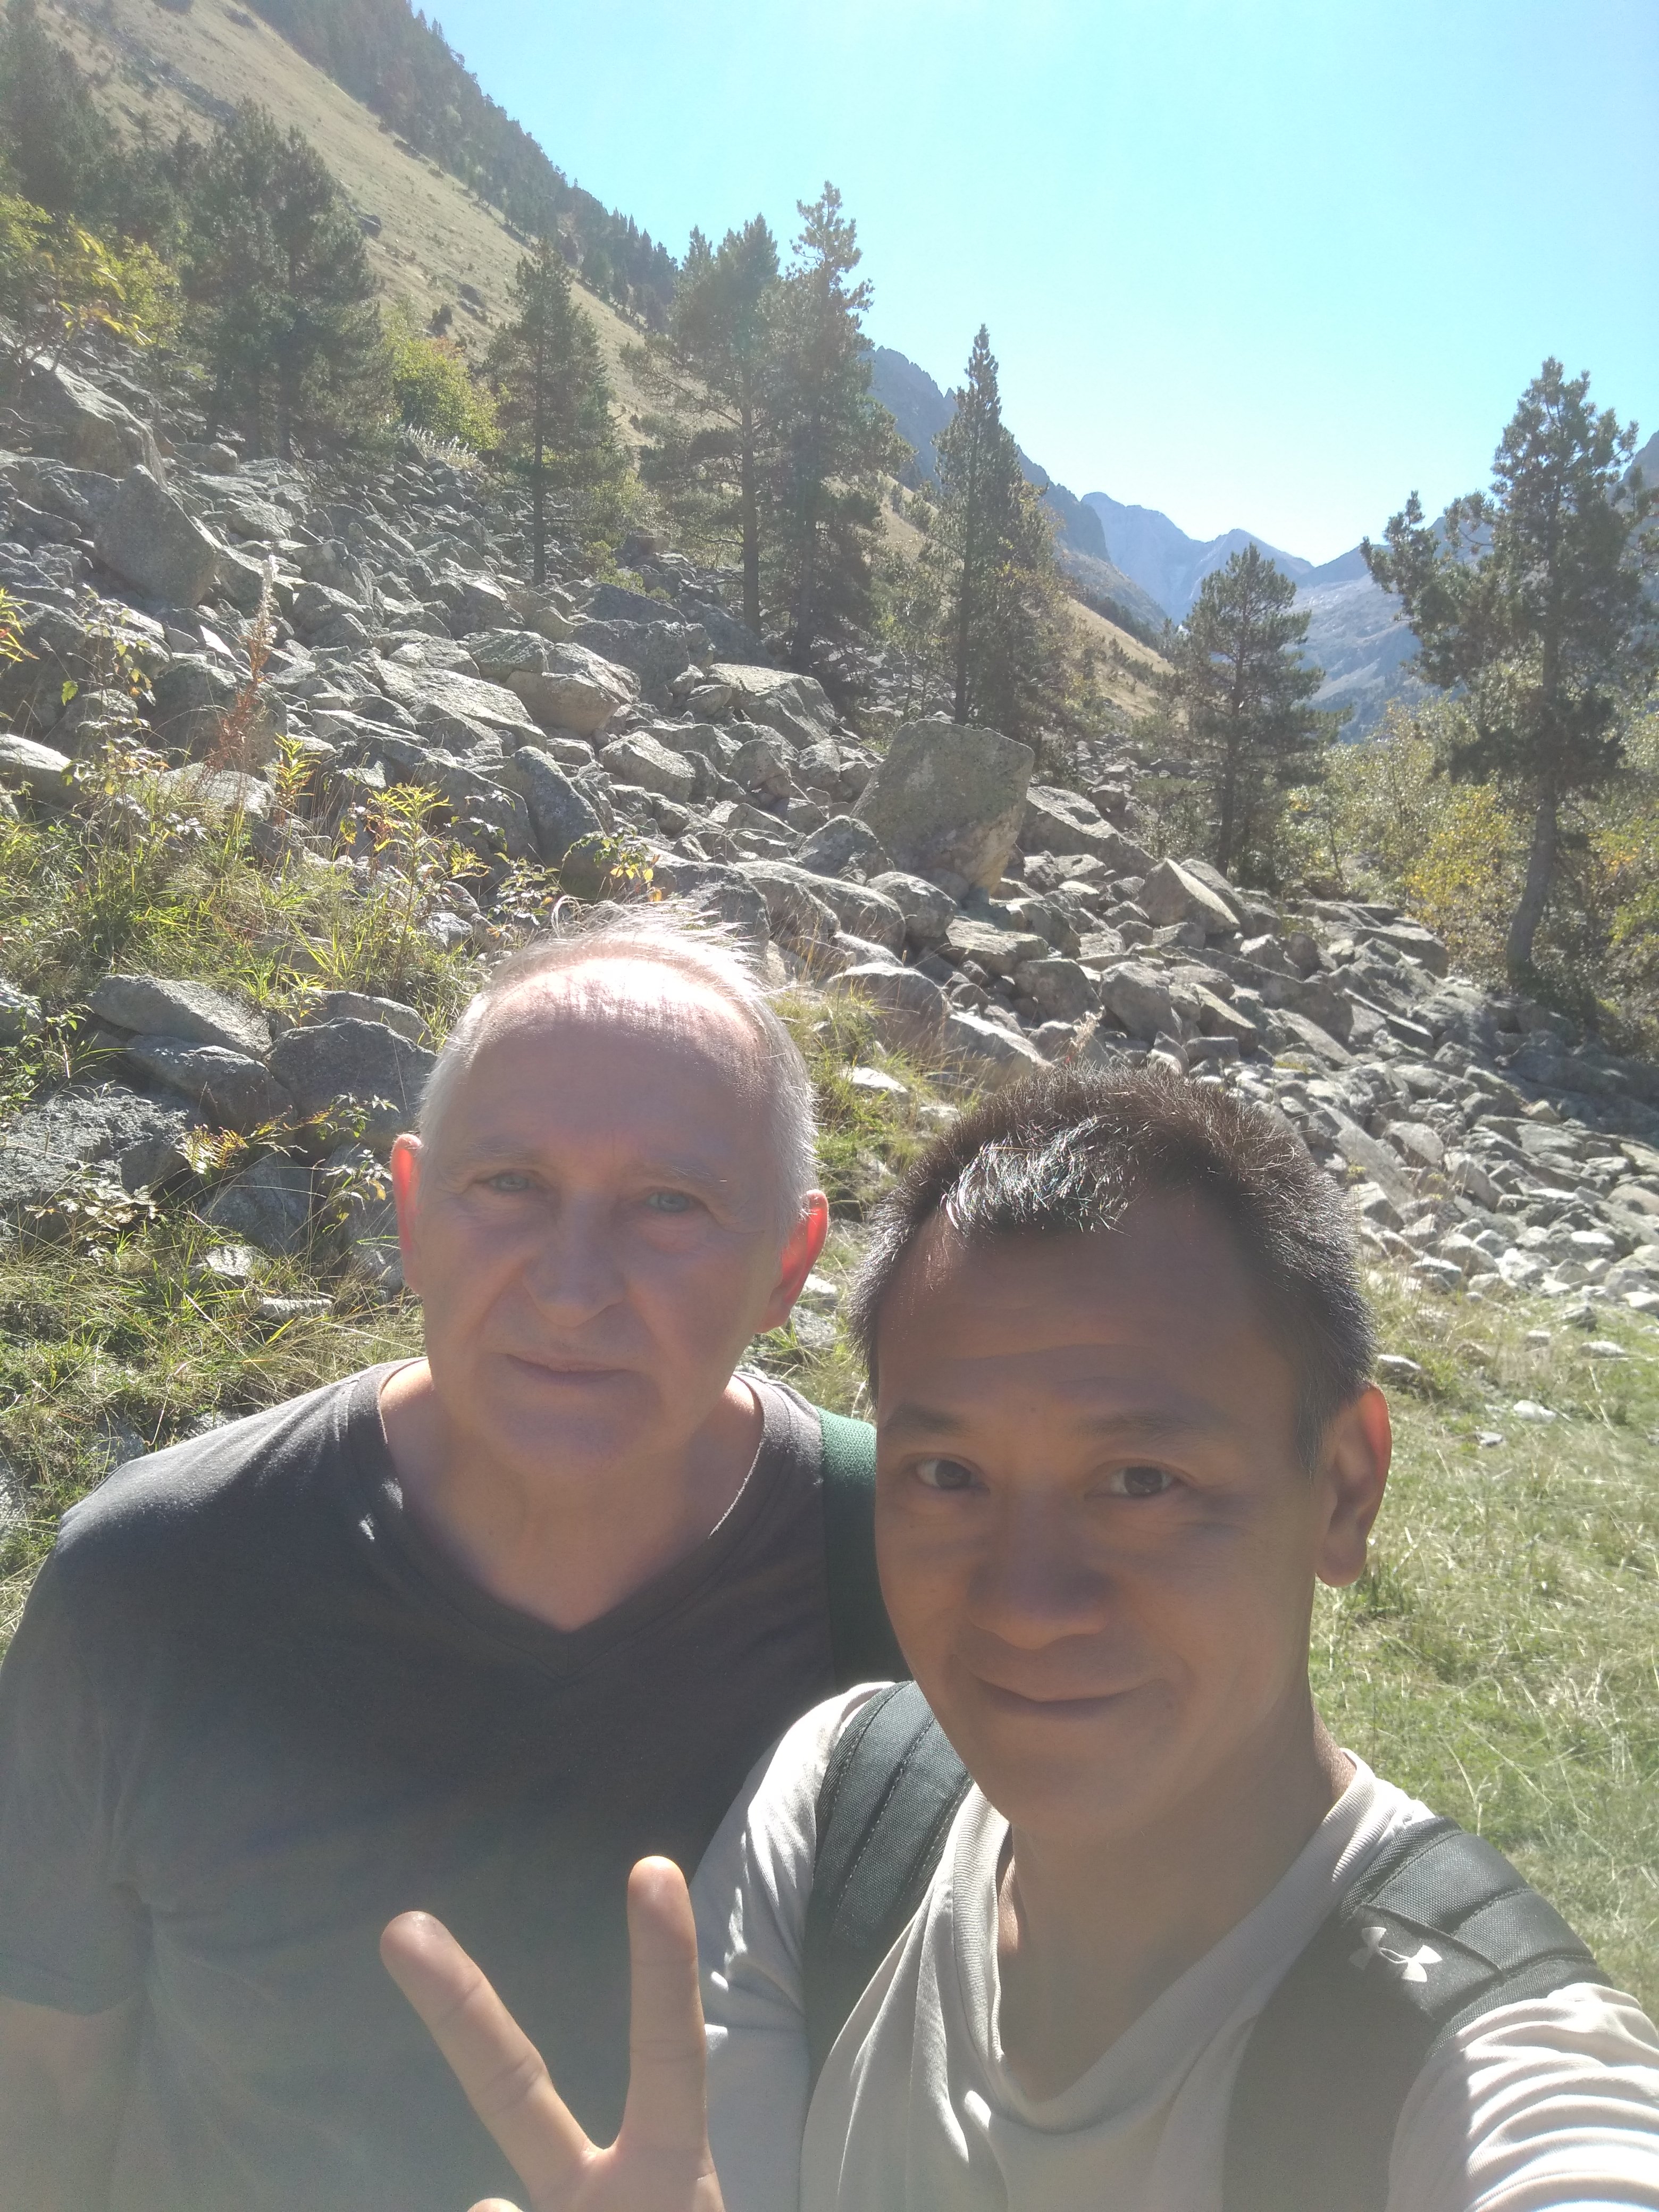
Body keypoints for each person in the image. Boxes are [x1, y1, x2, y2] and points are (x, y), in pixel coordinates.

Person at [384, 1062, 1659, 2211]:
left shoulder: (1470, 2060)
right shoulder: (840, 1807)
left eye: (1142, 1482)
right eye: (949, 1476)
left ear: (1342, 1487)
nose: (1028, 1602)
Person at [0, 904, 903, 2212]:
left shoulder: (924, 1578)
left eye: (670, 1203)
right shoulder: (157, 1581)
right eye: (511, 1185)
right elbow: (41, 2089)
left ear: (788, 1263)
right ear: (415, 1211)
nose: (573, 1286)